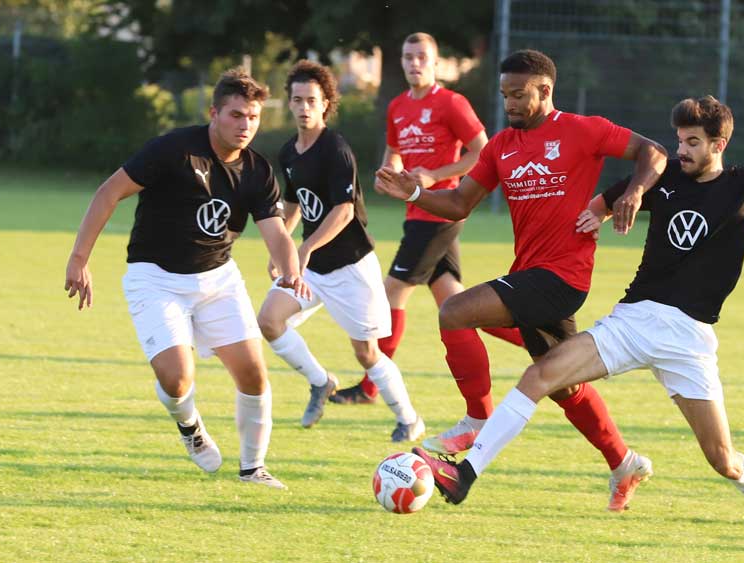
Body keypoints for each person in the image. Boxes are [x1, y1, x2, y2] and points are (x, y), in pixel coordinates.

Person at [413, 86, 744, 530]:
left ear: (719, 144)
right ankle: (465, 475)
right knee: (539, 376)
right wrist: (594, 218)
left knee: (722, 459)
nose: (682, 151)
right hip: (634, 319)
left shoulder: (743, 186)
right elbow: (602, 201)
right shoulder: (666, 177)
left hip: (688, 338)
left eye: (693, 142)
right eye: (679, 140)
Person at [376, 49, 668, 511]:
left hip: (563, 277)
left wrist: (633, 192)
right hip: (530, 275)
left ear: (545, 91)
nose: (509, 103)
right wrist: (413, 191)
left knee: (454, 310)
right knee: (563, 384)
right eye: (504, 95)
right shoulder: (500, 146)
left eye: (518, 94)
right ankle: (623, 460)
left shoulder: (582, 130)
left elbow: (653, 152)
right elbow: (459, 205)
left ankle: (476, 417)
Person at [64, 68, 305, 489]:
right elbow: (108, 192)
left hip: (217, 279)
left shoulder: (258, 171)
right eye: (235, 115)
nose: (245, 125)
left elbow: (277, 234)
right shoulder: (173, 150)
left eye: (252, 117)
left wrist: (291, 273)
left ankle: (253, 469)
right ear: (214, 112)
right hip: (155, 277)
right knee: (176, 379)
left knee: (254, 374)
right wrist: (79, 257)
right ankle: (190, 426)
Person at [331, 32, 526, 407]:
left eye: (421, 56)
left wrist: (435, 177)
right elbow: (394, 151)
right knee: (457, 304)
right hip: (415, 211)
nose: (414, 63)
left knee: (390, 293)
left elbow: (483, 154)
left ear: (435, 63)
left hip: (441, 211)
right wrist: (390, 172)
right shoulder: (397, 106)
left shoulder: (452, 103)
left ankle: (371, 387)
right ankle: (538, 338)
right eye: (408, 57)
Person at [256, 59, 425, 442]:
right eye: (297, 100)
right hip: (312, 269)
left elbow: (344, 210)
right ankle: (320, 382)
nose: (303, 107)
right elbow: (294, 202)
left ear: (325, 103)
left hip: (350, 267)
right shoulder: (288, 152)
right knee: (269, 321)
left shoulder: (335, 148)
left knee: (366, 354)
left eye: (311, 100)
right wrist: (281, 244)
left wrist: (305, 249)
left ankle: (409, 417)